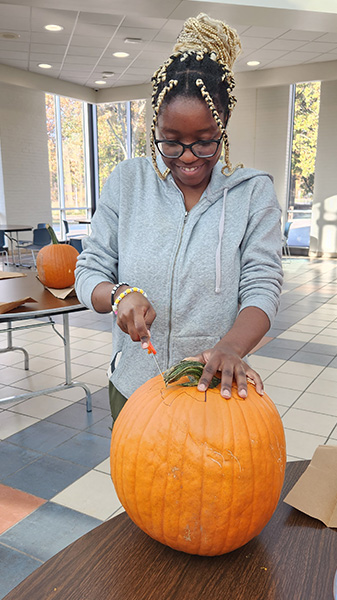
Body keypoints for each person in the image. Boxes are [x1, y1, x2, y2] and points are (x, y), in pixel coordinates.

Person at [75, 13, 283, 421]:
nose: (188, 157)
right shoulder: (128, 183)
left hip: (211, 390)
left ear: (223, 129)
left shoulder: (253, 192)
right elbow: (90, 269)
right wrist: (118, 295)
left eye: (205, 142)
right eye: (171, 142)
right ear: (155, 127)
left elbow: (263, 286)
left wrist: (232, 347)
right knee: (140, 481)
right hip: (136, 388)